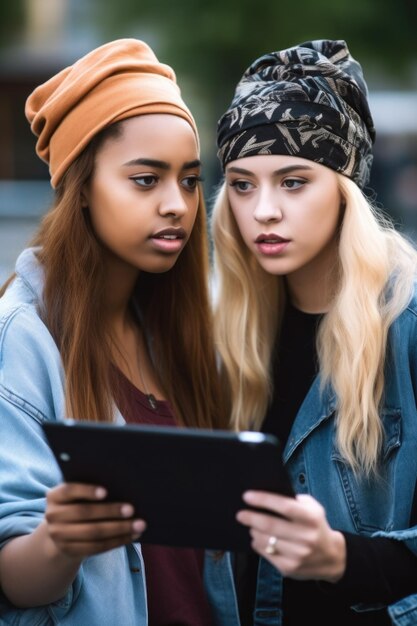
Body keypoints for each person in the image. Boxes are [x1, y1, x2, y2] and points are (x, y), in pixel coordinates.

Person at [0, 39, 240, 625]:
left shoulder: (183, 329)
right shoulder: (24, 341)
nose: (177, 205)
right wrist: (61, 540)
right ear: (81, 187)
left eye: (188, 180)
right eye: (144, 180)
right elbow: (13, 574)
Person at [211, 39, 417, 625]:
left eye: (294, 181)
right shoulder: (229, 329)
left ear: (344, 188)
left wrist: (339, 557)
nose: (263, 211)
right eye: (243, 184)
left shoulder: (407, 324)